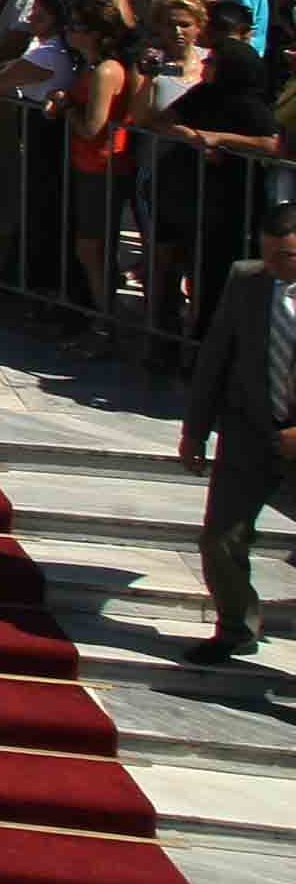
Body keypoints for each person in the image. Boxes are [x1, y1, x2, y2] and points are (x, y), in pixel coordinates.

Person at [179, 196, 296, 660]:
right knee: (220, 538)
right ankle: (234, 627)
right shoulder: (246, 281)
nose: (273, 265)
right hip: (249, 430)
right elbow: (216, 358)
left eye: (284, 256)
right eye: (266, 254)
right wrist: (195, 429)